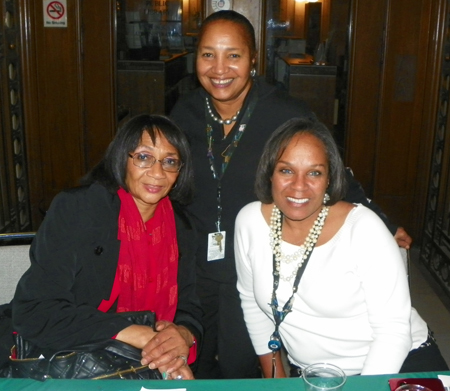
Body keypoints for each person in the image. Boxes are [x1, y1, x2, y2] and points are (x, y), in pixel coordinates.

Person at [170, 10, 412, 379]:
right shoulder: (184, 112)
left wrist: (380, 219)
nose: (220, 68)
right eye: (208, 54)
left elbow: (326, 169)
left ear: (253, 59)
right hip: (194, 263)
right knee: (191, 364)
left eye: (233, 55)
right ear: (195, 58)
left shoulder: (284, 112)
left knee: (239, 366)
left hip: (251, 263)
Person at [235, 117, 448, 377]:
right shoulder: (249, 222)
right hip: (315, 373)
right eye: (286, 170)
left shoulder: (363, 228)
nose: (299, 185)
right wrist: (275, 376)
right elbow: (251, 302)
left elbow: (393, 330)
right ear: (270, 173)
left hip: (398, 363)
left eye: (314, 172)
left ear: (330, 178)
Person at [12, 114, 202, 380]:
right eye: (144, 157)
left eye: (170, 162)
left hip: (150, 364)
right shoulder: (78, 210)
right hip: (74, 362)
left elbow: (190, 306)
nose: (158, 173)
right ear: (122, 158)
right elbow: (36, 310)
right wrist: (137, 334)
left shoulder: (184, 227)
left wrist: (183, 335)